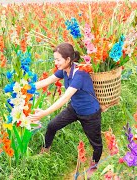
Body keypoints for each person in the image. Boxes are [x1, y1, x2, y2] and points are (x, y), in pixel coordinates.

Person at [29, 42, 102, 178]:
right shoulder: (65, 70)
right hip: (74, 109)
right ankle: (45, 151)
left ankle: (94, 164)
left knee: (96, 143)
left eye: (58, 59)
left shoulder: (79, 74)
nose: (56, 62)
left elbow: (65, 97)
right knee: (52, 125)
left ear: (68, 59)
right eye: (54, 59)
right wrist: (25, 87)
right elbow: (47, 81)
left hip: (90, 112)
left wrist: (44, 113)